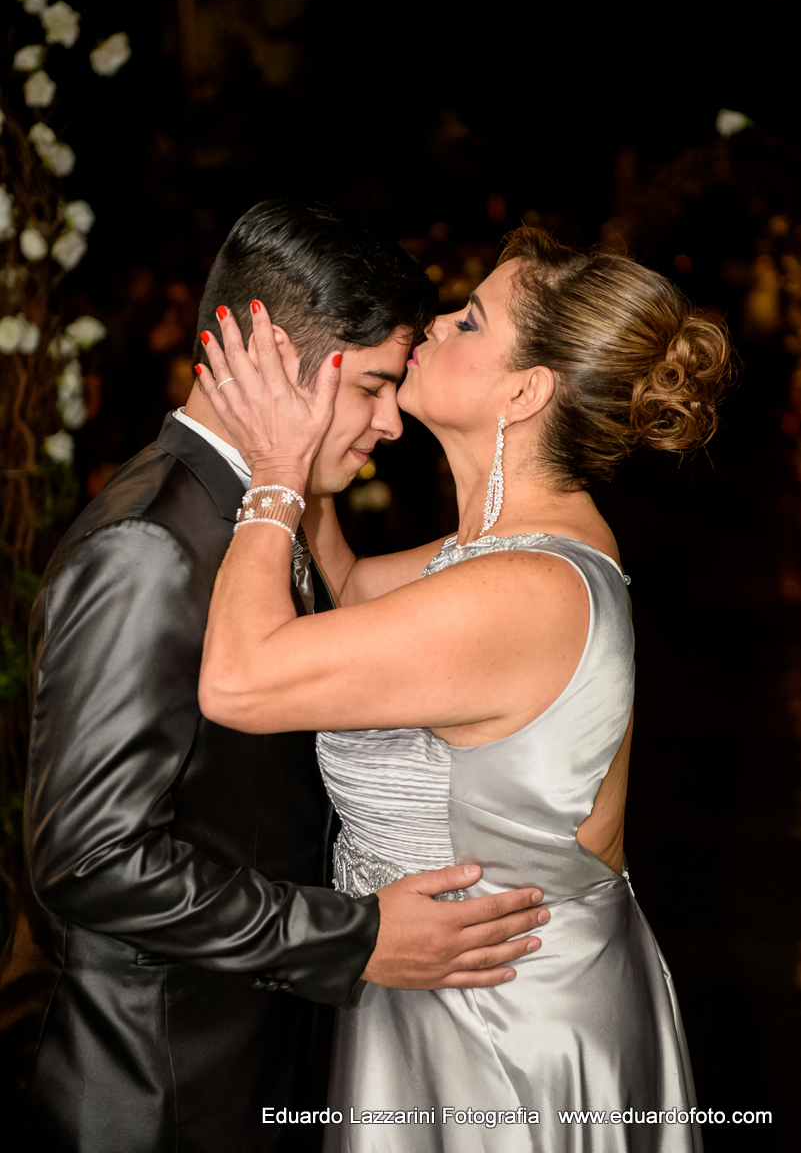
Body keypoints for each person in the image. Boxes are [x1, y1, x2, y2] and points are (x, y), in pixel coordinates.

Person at [0, 201, 551, 1153]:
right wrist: (354, 935)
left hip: (240, 1056)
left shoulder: (254, 512)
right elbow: (88, 861)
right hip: (152, 1085)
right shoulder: (148, 548)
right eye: (373, 385)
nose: (390, 423)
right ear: (262, 349)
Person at [195, 226, 731, 1153]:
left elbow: (239, 682)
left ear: (524, 391)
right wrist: (305, 424)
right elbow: (353, 588)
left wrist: (275, 472)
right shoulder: (500, 552)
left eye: (469, 318)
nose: (437, 321)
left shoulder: (519, 593)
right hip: (461, 991)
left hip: (501, 1031)